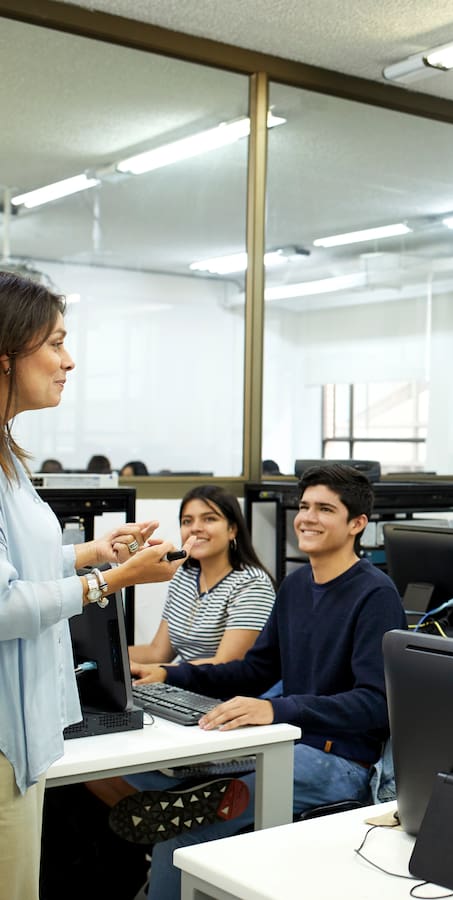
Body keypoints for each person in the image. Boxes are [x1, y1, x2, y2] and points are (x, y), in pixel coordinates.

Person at [120, 463, 405, 900]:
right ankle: (205, 797)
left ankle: (207, 803)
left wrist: (277, 708)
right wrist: (168, 673)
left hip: (339, 759)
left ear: (357, 524)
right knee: (152, 775)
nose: (307, 517)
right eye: (304, 506)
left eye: (324, 509)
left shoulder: (375, 594)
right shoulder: (294, 586)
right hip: (283, 741)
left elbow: (375, 703)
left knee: (179, 840)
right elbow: (255, 671)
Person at [0, 271, 187, 900]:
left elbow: (16, 561)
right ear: (6, 356)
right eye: (54, 343)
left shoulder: (6, 454)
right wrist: (110, 581)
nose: (68, 361)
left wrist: (89, 553)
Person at [129, 485, 275, 666]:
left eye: (209, 519)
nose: (195, 528)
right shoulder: (184, 576)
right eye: (187, 521)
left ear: (232, 530)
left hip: (225, 691)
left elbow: (226, 665)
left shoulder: (252, 584)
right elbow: (157, 652)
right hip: (182, 685)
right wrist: (109, 657)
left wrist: (160, 672)